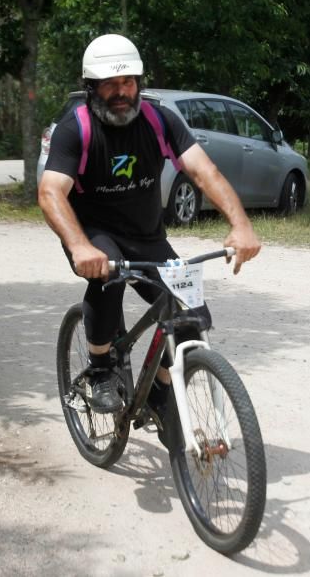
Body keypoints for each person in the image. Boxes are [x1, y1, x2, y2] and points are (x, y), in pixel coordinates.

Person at [38, 34, 261, 450]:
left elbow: (204, 171)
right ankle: (102, 368)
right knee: (108, 275)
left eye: (128, 82)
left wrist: (240, 223)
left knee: (189, 316)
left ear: (139, 82)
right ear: (91, 87)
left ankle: (159, 393)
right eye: (110, 84)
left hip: (147, 237)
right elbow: (51, 192)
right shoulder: (77, 129)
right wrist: (80, 246)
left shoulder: (160, 121)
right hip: (94, 236)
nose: (121, 92)